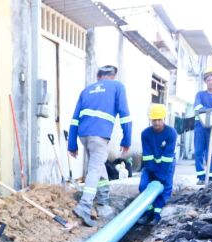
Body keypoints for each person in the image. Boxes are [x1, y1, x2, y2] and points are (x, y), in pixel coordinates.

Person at [68, 64, 132, 227]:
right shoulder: (117, 87)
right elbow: (124, 115)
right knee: (95, 168)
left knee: (99, 165)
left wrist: (72, 144)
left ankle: (103, 201)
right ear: (113, 76)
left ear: (98, 77)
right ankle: (85, 205)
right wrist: (126, 140)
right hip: (99, 135)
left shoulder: (87, 90)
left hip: (84, 135)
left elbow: (75, 118)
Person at [137, 104, 177, 226]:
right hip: (151, 167)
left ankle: (157, 215)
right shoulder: (145, 134)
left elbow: (167, 156)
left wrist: (162, 175)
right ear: (150, 120)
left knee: (164, 189)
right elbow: (147, 155)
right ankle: (148, 212)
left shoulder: (171, 133)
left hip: (167, 166)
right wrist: (152, 171)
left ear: (164, 118)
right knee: (143, 186)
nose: (156, 123)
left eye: (159, 119)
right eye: (154, 120)